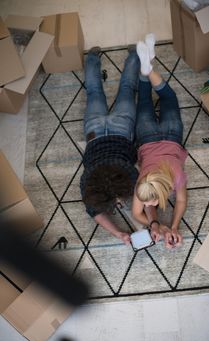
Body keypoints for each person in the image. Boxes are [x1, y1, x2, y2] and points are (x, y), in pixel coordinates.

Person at [132, 34, 188, 249]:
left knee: (168, 98)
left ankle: (148, 66)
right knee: (144, 101)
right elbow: (139, 213)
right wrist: (165, 227)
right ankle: (147, 67)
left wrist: (166, 225)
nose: (146, 205)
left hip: (171, 135)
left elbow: (137, 213)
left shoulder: (176, 177)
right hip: (147, 136)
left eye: (149, 202)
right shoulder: (143, 182)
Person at [80, 46, 140, 244]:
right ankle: (92, 56)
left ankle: (133, 55)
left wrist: (119, 233)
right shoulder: (87, 178)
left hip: (122, 130)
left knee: (127, 89)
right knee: (93, 91)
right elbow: (93, 210)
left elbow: (95, 212)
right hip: (94, 132)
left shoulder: (128, 170)